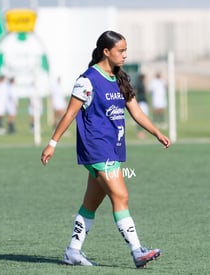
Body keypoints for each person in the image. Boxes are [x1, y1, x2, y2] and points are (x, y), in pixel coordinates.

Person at [40, 30, 171, 269]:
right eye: (120, 51)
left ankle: (73, 252)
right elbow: (70, 113)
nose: (124, 55)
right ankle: (137, 251)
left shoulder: (120, 78)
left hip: (112, 148)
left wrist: (157, 132)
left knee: (91, 203)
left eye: (125, 50)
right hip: (97, 149)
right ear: (106, 51)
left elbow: (137, 112)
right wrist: (53, 143)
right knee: (121, 196)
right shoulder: (87, 80)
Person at [135, 73, 149, 139]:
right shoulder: (140, 84)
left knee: (144, 117)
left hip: (141, 102)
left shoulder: (139, 84)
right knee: (142, 117)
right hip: (141, 102)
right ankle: (140, 133)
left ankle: (142, 132)